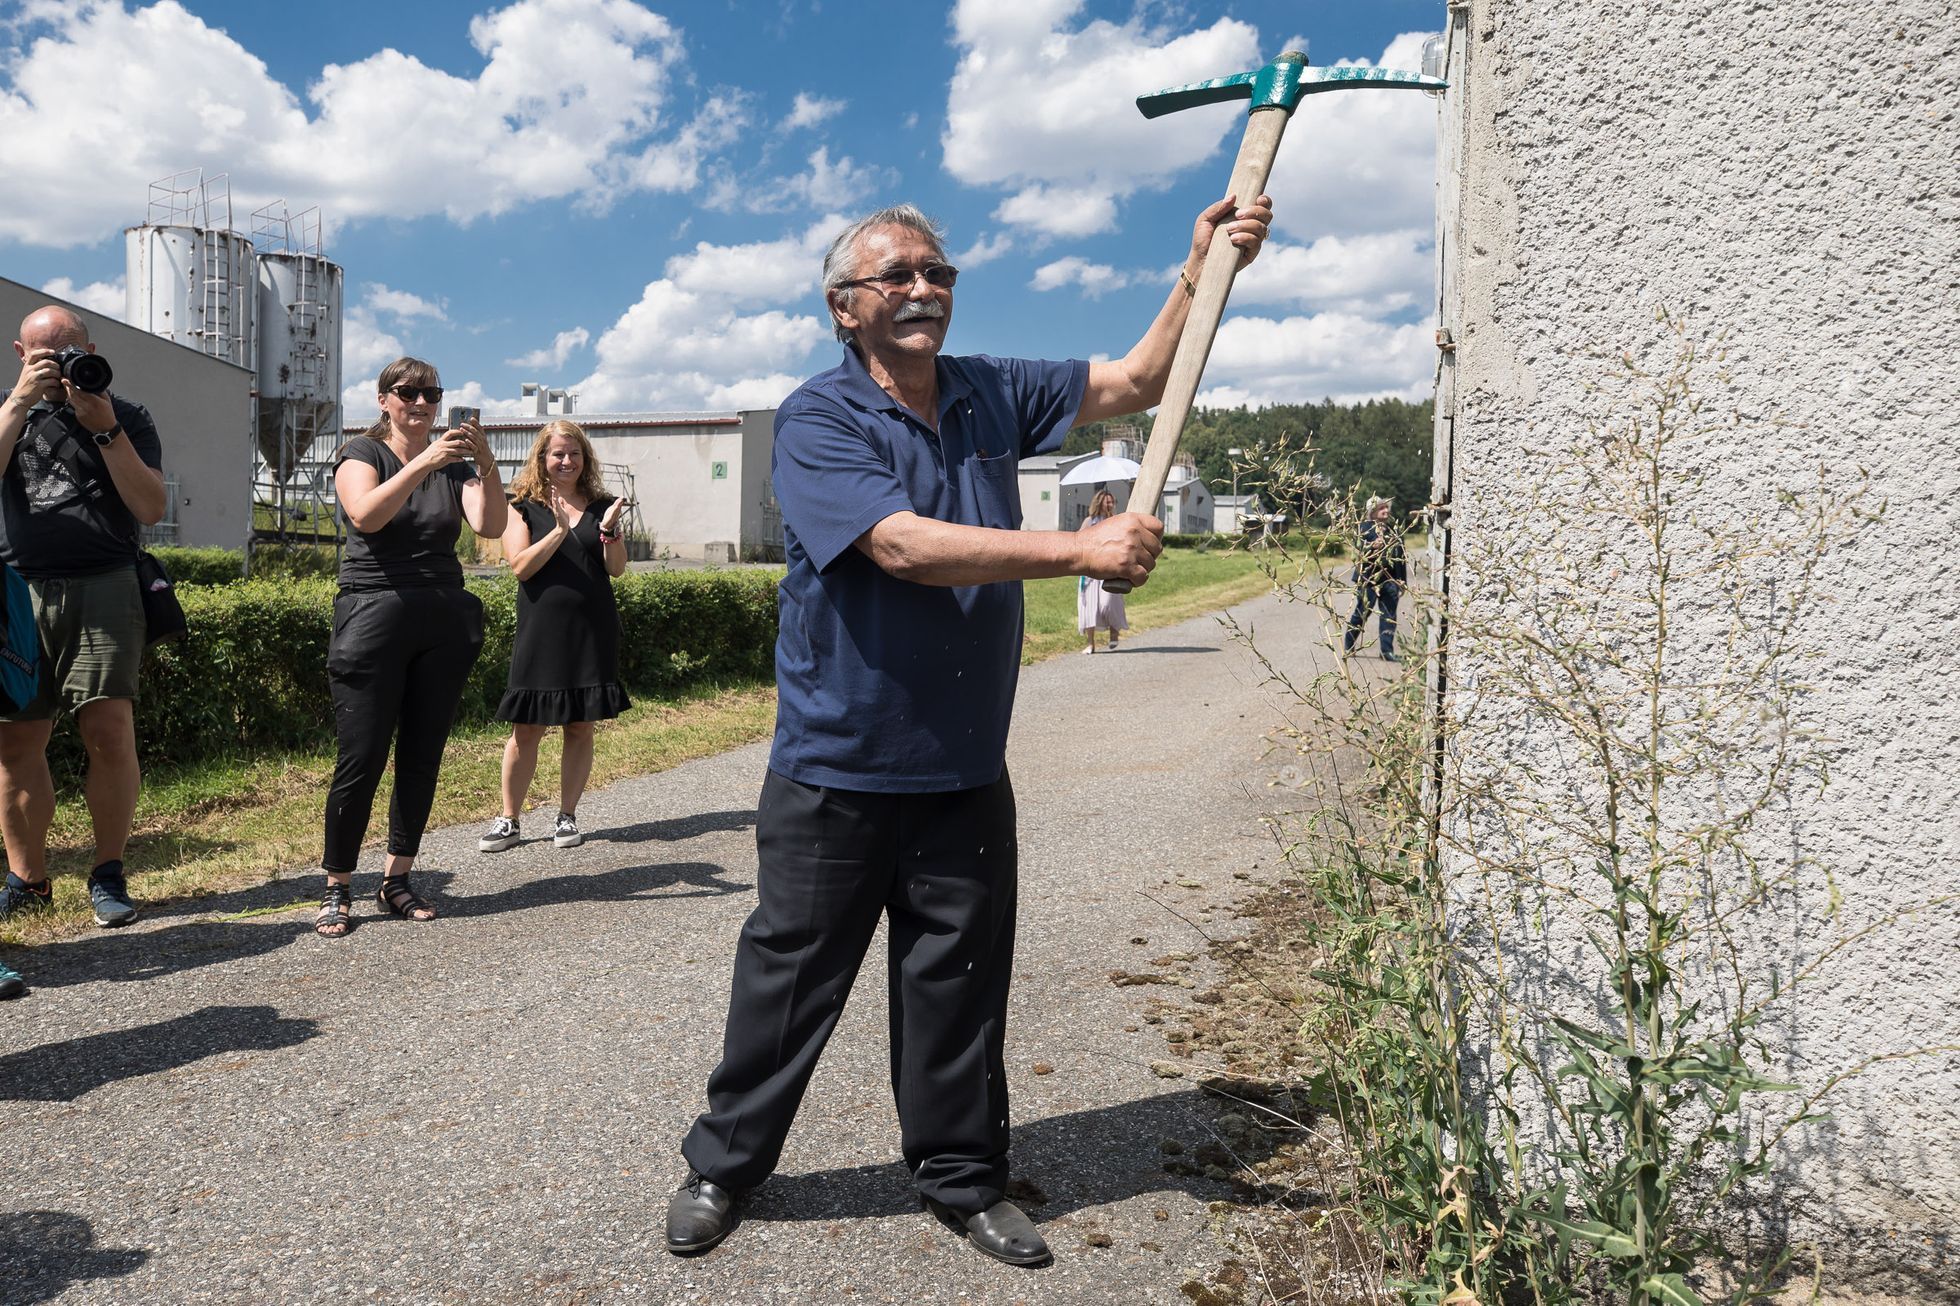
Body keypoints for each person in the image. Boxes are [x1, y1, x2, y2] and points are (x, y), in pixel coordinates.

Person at [667, 192, 1271, 1265]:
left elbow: (1134, 381)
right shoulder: (820, 419)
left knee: (956, 984)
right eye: (895, 276)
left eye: (937, 273)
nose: (922, 290)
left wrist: (1195, 270)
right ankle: (725, 1163)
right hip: (836, 768)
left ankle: (959, 1176)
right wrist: (1079, 554)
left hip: (961, 765)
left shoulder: (991, 390)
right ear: (842, 308)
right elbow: (900, 546)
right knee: (789, 982)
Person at [314, 358, 505, 938]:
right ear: (384, 400)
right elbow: (365, 515)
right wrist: (425, 460)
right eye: (408, 393)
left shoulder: (452, 468)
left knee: (422, 755)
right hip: (373, 614)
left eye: (432, 394)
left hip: (442, 616)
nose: (421, 403)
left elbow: (491, 525)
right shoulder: (360, 454)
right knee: (363, 757)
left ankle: (396, 878)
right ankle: (337, 884)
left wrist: (486, 463)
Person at [0, 306, 167, 958]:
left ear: (89, 350)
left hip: (104, 583)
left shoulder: (127, 414)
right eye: (42, 355)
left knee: (109, 731)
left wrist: (106, 432)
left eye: (67, 353)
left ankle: (107, 872)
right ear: (19, 352)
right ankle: (28, 879)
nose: (57, 365)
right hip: (18, 591)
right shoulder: (11, 410)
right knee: (16, 743)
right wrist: (18, 403)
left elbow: (151, 506)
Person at [477, 419, 629, 854]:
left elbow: (615, 568)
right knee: (527, 727)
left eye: (574, 453)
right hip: (542, 630)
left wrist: (609, 530)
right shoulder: (521, 506)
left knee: (581, 725)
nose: (566, 461)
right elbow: (521, 567)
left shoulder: (602, 505)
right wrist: (560, 530)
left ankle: (567, 816)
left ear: (585, 458)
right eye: (558, 454)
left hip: (591, 628)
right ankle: (509, 820)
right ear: (542, 459)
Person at [1342, 495, 1406, 662]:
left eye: (1386, 508)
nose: (1386, 511)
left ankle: (1386, 652)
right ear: (1372, 512)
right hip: (1368, 578)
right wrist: (1370, 547)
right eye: (1381, 508)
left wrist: (1402, 580)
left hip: (1389, 579)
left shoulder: (1394, 531)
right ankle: (1349, 645)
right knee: (1362, 612)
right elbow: (1356, 550)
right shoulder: (1364, 528)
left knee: (1389, 615)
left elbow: (1401, 556)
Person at [1076, 487, 1129, 654]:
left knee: (1109, 603)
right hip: (1091, 572)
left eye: (1113, 502)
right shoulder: (1089, 521)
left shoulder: (1116, 521)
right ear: (1100, 503)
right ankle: (1090, 644)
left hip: (1110, 570)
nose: (1111, 504)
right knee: (1090, 607)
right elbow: (1079, 541)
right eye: (1108, 502)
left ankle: (1114, 633)